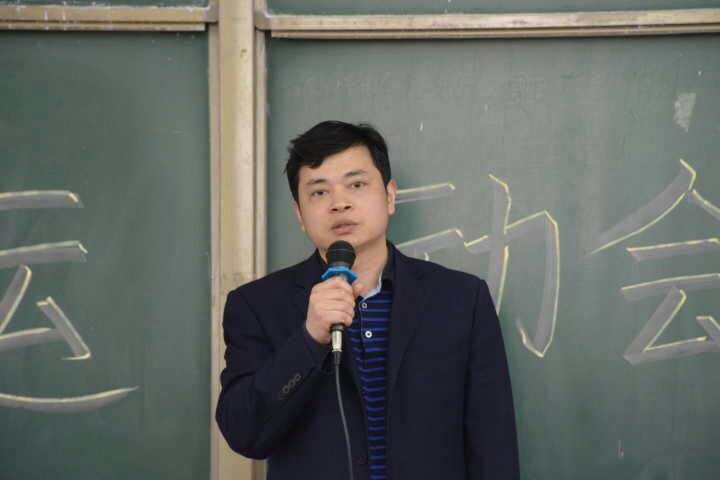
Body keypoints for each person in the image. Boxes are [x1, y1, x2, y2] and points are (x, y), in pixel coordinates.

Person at [216, 120, 520, 480]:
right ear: (299, 213)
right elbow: (244, 433)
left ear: (389, 196)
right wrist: (309, 339)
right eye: (319, 192)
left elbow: (493, 444)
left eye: (356, 185)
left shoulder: (461, 300)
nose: (339, 203)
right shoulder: (256, 305)